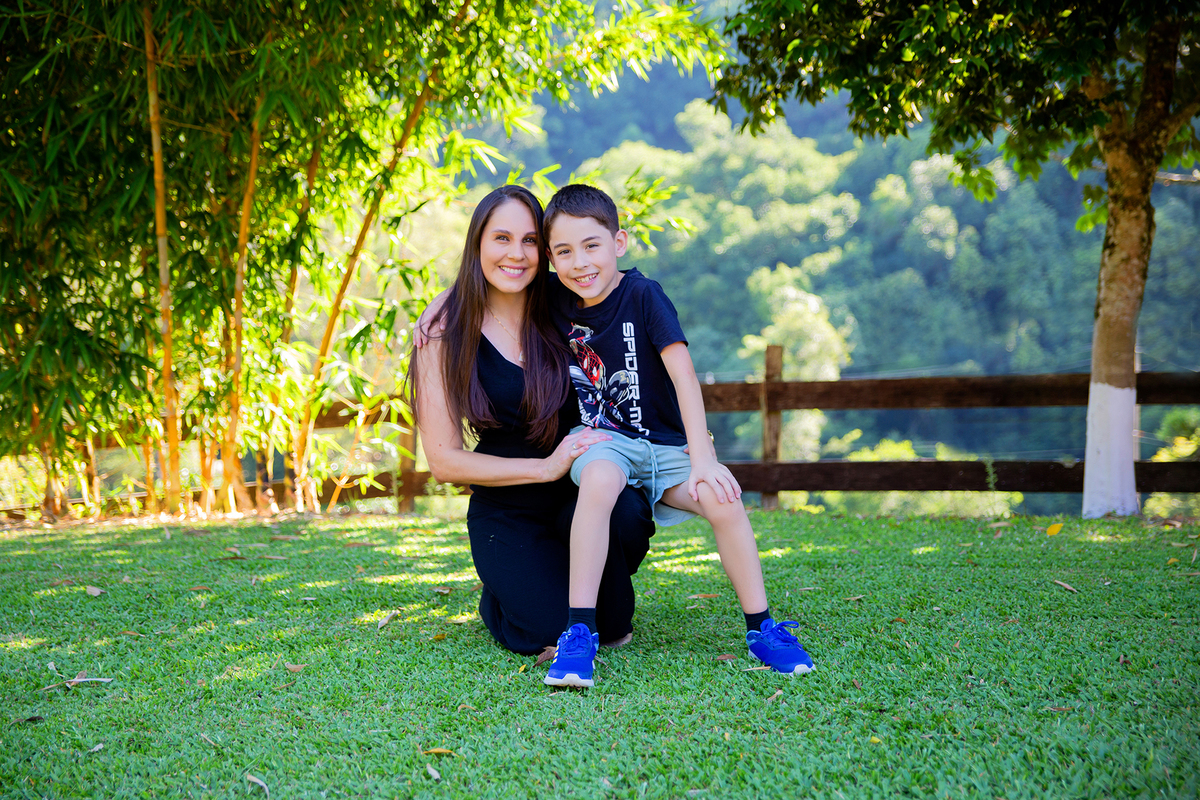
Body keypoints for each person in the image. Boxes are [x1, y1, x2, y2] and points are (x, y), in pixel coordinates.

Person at [539, 184, 814, 688]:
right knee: (599, 483)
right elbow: (486, 287)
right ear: (551, 259)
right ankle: (579, 632)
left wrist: (705, 458)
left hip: (665, 447)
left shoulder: (643, 295)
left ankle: (762, 627)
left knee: (723, 498)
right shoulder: (556, 299)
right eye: (563, 251)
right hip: (604, 439)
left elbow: (684, 375)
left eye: (591, 245)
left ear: (619, 242)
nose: (579, 262)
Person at [405, 185, 656, 655]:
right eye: (501, 238)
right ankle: (505, 587)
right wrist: (544, 468)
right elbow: (443, 462)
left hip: (585, 493)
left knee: (614, 617)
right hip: (508, 507)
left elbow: (631, 296)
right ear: (477, 244)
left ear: (544, 251)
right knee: (545, 632)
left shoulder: (568, 305)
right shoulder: (443, 334)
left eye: (528, 241)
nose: (515, 254)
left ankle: (582, 586)